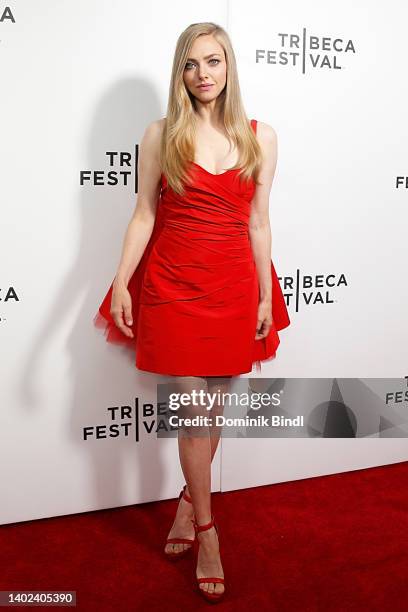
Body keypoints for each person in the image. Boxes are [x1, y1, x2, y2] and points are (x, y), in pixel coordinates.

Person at [93, 22, 290, 603]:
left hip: (233, 285)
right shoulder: (159, 135)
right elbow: (143, 215)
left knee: (215, 410)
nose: (203, 74)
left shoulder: (262, 137)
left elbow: (258, 222)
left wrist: (262, 295)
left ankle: (186, 502)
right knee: (194, 416)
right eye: (191, 63)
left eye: (214, 61)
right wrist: (121, 281)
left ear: (229, 68)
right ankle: (208, 532)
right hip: (173, 286)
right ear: (179, 72)